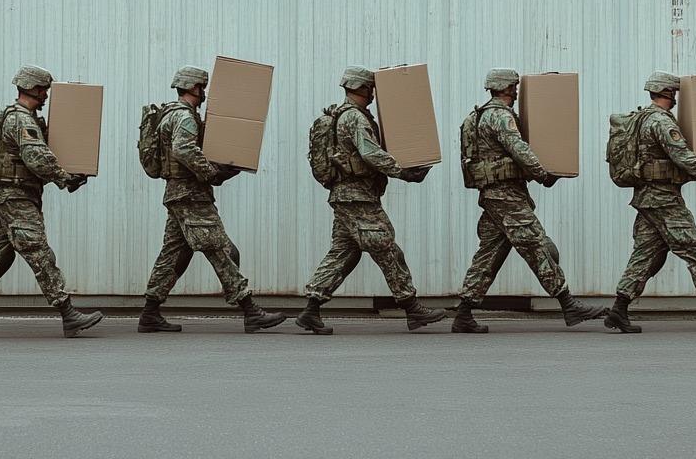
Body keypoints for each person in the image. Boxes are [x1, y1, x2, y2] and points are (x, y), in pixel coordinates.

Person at [0, 65, 103, 338]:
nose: (45, 95)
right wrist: (64, 178)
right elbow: (36, 157)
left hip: (15, 196)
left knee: (0, 256)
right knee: (39, 252)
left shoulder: (27, 118)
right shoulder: (21, 119)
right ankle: (68, 313)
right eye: (42, 89)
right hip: (15, 198)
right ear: (31, 88)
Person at [452, 68, 606, 333]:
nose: (515, 91)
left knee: (489, 255)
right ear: (503, 87)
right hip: (507, 197)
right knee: (537, 246)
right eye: (513, 86)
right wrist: (542, 174)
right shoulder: (500, 115)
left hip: (493, 195)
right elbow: (519, 149)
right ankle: (568, 304)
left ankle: (463, 314)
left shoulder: (478, 116)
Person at [295, 66, 445, 335]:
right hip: (357, 197)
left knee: (343, 255)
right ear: (362, 88)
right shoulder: (355, 118)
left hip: (346, 196)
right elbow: (370, 153)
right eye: (370, 88)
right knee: (387, 248)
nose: (373, 93)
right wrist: (403, 171)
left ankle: (310, 310)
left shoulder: (342, 115)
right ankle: (412, 308)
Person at [137, 65, 286, 334]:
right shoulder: (185, 117)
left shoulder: (169, 115)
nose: (204, 92)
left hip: (178, 194)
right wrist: (212, 173)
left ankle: (150, 313)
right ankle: (250, 310)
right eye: (202, 88)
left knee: (173, 255)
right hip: (191, 196)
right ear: (194, 88)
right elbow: (183, 148)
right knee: (220, 251)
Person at [603, 71, 696, 333]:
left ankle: (618, 310)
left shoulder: (640, 118)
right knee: (695, 249)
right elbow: (680, 154)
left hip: (649, 198)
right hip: (664, 201)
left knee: (645, 256)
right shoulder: (661, 122)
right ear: (668, 93)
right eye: (674, 94)